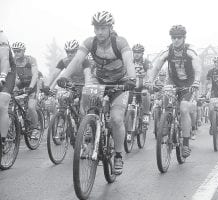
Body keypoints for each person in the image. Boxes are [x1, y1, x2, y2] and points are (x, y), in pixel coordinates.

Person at [56, 11, 136, 175]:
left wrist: (132, 78)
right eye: (96, 28)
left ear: (110, 28)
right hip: (98, 80)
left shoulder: (120, 42)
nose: (99, 32)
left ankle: (118, 156)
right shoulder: (89, 42)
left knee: (116, 119)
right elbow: (77, 60)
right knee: (87, 104)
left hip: (120, 83)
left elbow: (129, 60)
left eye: (103, 28)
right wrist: (64, 76)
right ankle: (89, 130)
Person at [146, 25, 201, 158]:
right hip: (172, 82)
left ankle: (186, 144)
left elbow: (197, 65)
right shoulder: (168, 50)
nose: (176, 40)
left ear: (184, 38)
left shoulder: (190, 50)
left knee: (183, 109)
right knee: (166, 101)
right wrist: (149, 80)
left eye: (179, 37)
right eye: (173, 38)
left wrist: (196, 81)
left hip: (188, 83)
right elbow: (157, 66)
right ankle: (167, 124)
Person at [12, 42, 40, 139]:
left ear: (24, 51)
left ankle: (36, 129)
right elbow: (12, 76)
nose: (16, 53)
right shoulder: (13, 61)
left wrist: (31, 87)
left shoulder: (30, 60)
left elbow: (35, 75)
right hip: (21, 85)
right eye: (14, 51)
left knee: (31, 107)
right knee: (11, 105)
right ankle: (17, 125)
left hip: (32, 86)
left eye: (18, 51)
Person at [0, 30, 16, 149]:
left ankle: (3, 140)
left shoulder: (2, 37)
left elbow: (4, 60)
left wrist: (2, 76)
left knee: (2, 104)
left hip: (8, 71)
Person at [132, 44, 152, 125]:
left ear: (142, 53)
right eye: (135, 52)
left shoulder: (146, 62)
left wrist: (149, 81)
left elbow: (150, 73)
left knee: (145, 94)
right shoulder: (129, 61)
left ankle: (146, 114)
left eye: (139, 52)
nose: (136, 54)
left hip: (143, 85)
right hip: (132, 85)